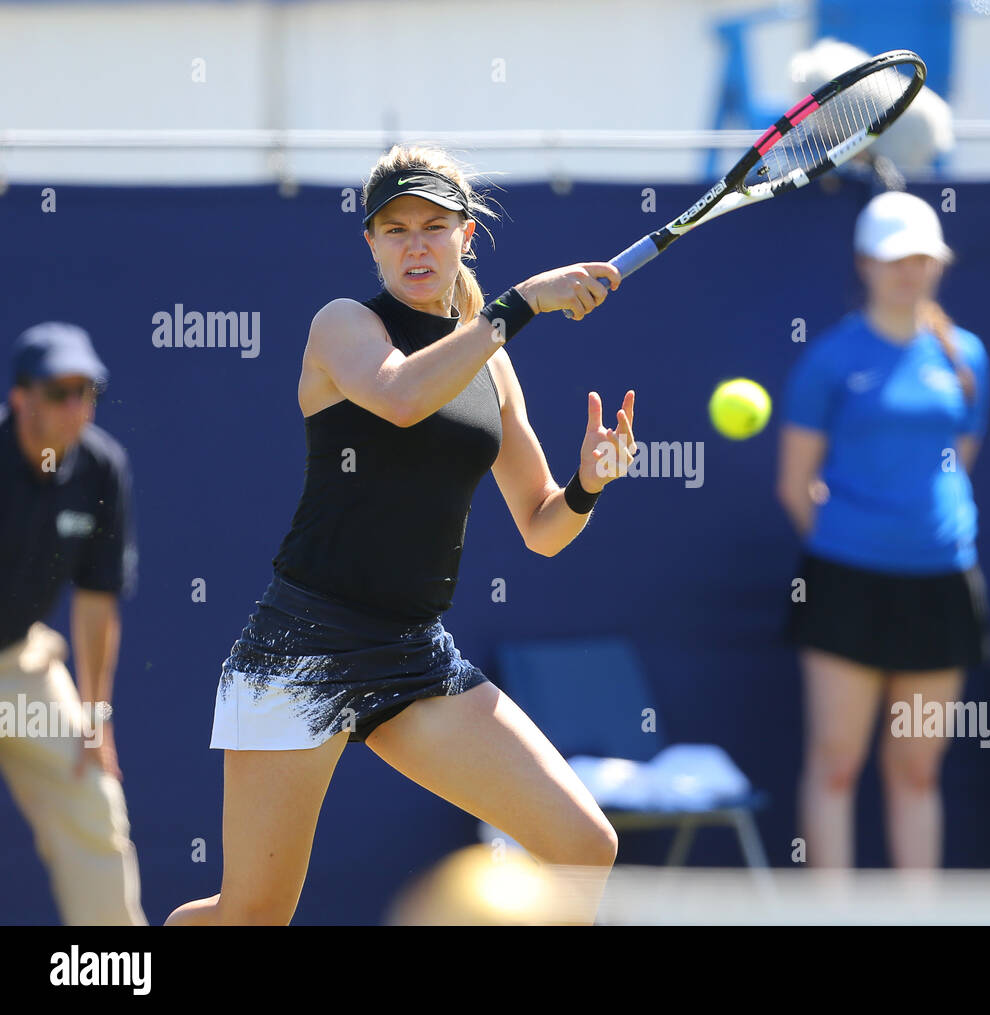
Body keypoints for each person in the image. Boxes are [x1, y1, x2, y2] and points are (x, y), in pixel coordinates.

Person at [166, 144, 636, 926]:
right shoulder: (344, 325)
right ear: (372, 244)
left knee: (583, 846)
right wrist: (522, 303)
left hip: (414, 655)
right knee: (249, 914)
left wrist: (588, 484)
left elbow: (542, 528)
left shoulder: (494, 366)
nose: (415, 245)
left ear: (466, 236)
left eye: (433, 226)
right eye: (395, 229)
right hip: (302, 647)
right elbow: (402, 396)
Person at [777, 191, 990, 870]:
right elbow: (794, 483)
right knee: (837, 765)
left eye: (923, 258)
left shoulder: (968, 359)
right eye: (896, 259)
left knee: (918, 769)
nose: (910, 271)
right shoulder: (830, 360)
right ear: (866, 263)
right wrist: (856, 540)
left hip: (943, 583)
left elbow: (960, 460)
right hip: (846, 584)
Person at [0, 322, 145, 925]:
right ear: (20, 398)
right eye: (61, 391)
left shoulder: (101, 468)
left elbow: (95, 600)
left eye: (89, 391)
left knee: (93, 804)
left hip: (19, 666)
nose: (77, 406)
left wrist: (95, 714)